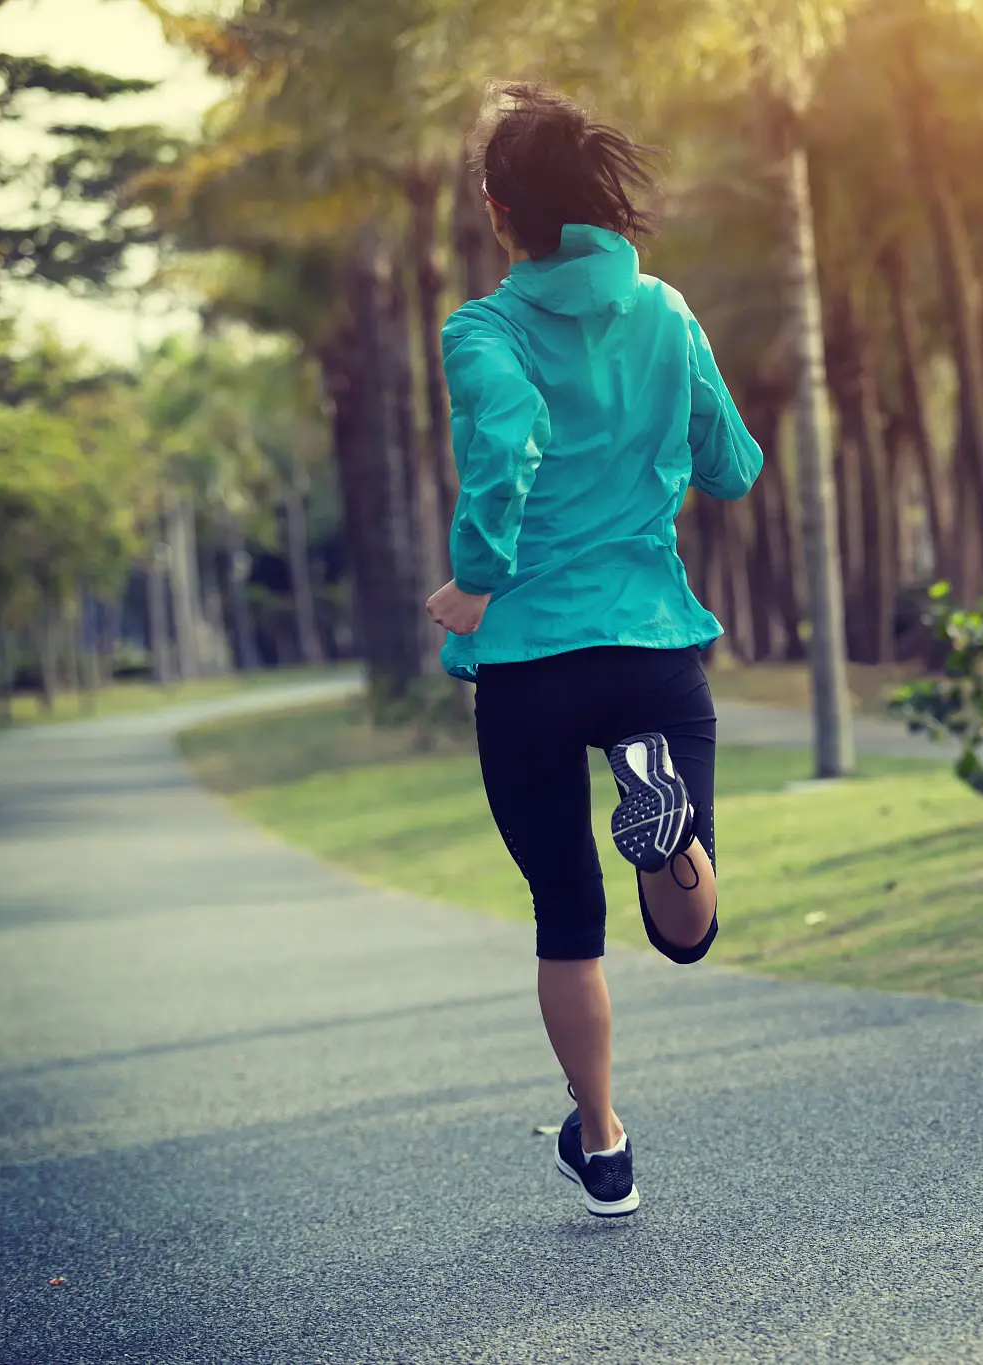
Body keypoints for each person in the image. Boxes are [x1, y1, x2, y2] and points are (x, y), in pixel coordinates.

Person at [424, 83, 762, 1218]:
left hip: (526, 664)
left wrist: (476, 577)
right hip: (649, 650)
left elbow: (509, 440)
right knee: (686, 932)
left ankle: (605, 1143)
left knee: (567, 918)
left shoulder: (481, 331)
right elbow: (729, 467)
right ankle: (664, 831)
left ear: (497, 209)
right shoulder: (666, 313)